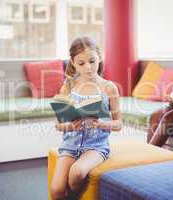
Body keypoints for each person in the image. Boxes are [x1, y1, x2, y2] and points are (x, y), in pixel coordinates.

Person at [50, 36, 122, 200]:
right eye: (81, 63)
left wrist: (100, 124)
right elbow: (58, 124)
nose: (88, 68)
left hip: (96, 147)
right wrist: (70, 126)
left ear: (99, 58)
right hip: (70, 145)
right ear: (73, 62)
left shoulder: (109, 87)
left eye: (92, 61)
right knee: (56, 190)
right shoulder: (68, 86)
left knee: (77, 172)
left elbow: (118, 124)